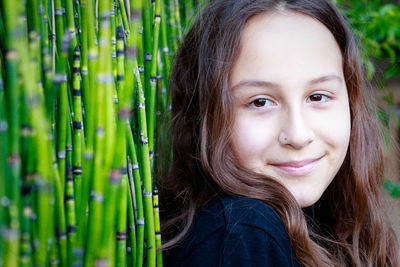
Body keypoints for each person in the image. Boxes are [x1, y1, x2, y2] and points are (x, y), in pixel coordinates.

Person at [158, 0, 400, 266]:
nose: (298, 135)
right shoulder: (240, 235)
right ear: (204, 114)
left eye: (318, 96)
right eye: (260, 102)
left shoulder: (327, 220)